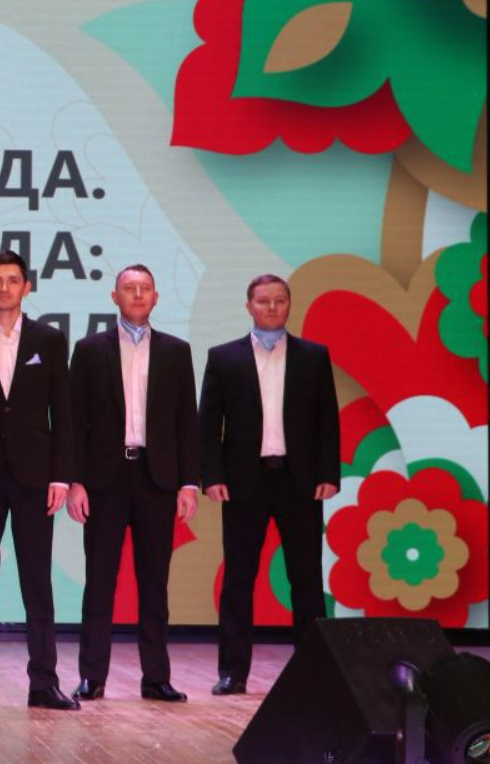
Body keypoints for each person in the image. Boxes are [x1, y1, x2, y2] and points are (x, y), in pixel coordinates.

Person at [199, 274, 340, 696]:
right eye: (263, 301)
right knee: (238, 579)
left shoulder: (313, 356)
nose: (272, 307)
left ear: (289, 305)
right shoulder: (224, 357)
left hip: (301, 483)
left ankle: (314, 673)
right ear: (249, 306)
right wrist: (211, 476)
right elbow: (208, 423)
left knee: (307, 579)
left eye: (280, 300)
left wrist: (328, 473)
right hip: (244, 482)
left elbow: (327, 419)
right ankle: (232, 672)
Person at [67, 263, 199, 703]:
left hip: (156, 479)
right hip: (104, 480)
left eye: (145, 288)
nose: (138, 294)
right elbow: (75, 421)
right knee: (99, 581)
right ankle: (92, 676)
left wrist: (188, 483)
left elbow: (186, 422)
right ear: (115, 297)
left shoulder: (176, 351)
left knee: (154, 583)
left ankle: (156, 677)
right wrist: (76, 481)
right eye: (129, 288)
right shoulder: (89, 350)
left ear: (156, 297)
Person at [0, 251, 80, 711]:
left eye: (13, 280)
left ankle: (44, 682)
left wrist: (62, 475)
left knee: (37, 582)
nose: (5, 288)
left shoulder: (49, 340)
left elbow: (63, 412)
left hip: (34, 478)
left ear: (27, 287)